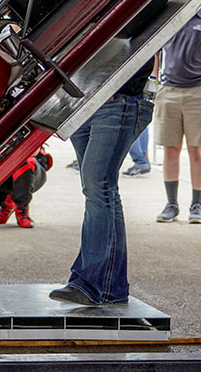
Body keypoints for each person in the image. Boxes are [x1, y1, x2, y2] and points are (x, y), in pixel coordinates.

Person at [50, 62, 154, 305]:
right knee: (99, 190)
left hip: (117, 99)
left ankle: (89, 283)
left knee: (99, 188)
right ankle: (111, 288)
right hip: (83, 102)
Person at [152, 8, 201, 223]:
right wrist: (154, 81)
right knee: (170, 149)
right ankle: (171, 204)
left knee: (196, 150)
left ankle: (197, 204)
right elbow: (155, 50)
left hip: (197, 92)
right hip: (168, 90)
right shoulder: (168, 13)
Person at [0, 146, 52, 228]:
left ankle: (22, 210)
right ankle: (7, 201)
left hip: (30, 171)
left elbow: (34, 151)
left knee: (23, 158)